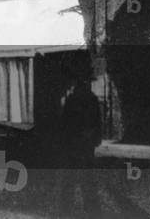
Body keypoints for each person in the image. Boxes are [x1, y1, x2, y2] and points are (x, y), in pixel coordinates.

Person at [55, 74, 102, 213]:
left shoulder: (76, 100)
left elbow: (64, 125)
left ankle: (68, 211)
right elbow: (96, 125)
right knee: (84, 181)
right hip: (81, 146)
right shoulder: (89, 100)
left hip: (77, 146)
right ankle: (91, 212)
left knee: (74, 182)